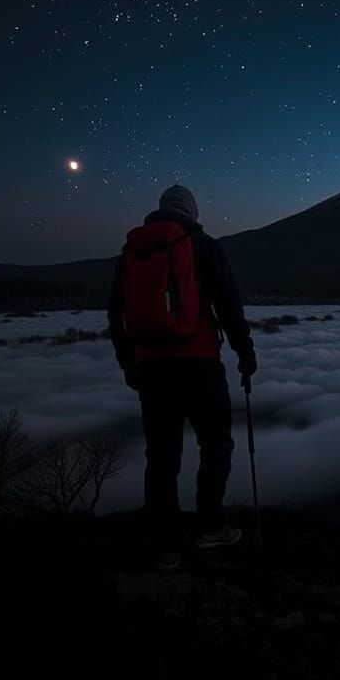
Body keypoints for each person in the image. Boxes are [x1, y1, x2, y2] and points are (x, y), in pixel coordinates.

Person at [108, 184, 257, 570]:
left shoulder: (131, 254)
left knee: (160, 456)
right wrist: (245, 355)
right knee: (216, 444)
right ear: (191, 211)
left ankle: (165, 545)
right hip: (200, 365)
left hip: (152, 372)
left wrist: (129, 364)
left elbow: (116, 316)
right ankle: (210, 526)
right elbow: (228, 305)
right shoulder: (204, 246)